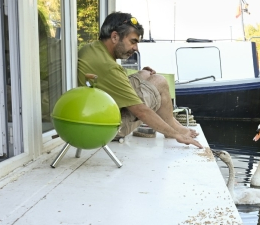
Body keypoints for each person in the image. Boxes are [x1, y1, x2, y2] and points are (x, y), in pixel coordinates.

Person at [77, 12, 202, 148]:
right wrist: (177, 135)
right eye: (133, 41)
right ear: (114, 37)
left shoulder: (91, 49)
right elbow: (141, 111)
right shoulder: (109, 67)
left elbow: (114, 81)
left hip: (94, 112)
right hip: (104, 127)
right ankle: (172, 127)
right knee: (159, 81)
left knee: (145, 73)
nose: (136, 48)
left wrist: (142, 74)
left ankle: (170, 121)